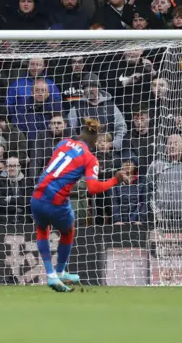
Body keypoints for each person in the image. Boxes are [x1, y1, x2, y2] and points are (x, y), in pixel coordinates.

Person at [30, 118, 129, 292]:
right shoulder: (89, 158)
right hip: (56, 200)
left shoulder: (63, 142)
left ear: (80, 133)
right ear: (95, 140)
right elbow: (93, 188)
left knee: (41, 229)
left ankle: (52, 274)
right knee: (68, 230)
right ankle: (59, 272)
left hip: (37, 195)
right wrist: (115, 179)